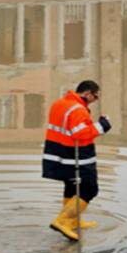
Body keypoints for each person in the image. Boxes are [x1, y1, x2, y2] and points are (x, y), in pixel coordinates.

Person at [42, 80, 111, 241]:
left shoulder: (60, 103)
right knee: (89, 189)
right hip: (77, 156)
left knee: (72, 187)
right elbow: (81, 133)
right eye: (95, 96)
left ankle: (73, 220)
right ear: (87, 93)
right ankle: (62, 221)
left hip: (59, 154)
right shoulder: (78, 109)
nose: (95, 100)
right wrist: (103, 125)